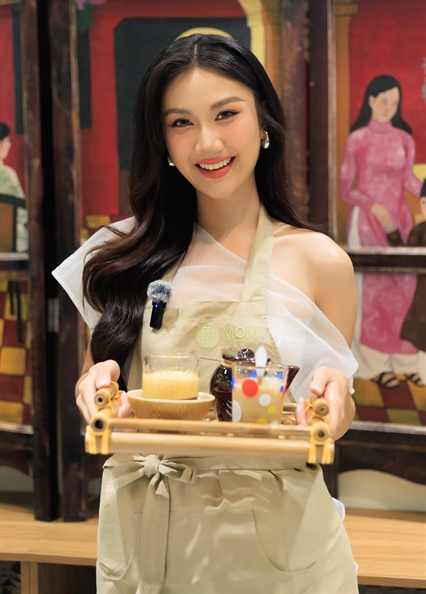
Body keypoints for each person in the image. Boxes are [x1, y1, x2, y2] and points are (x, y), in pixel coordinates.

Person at [53, 34, 359, 593]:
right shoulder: (120, 257)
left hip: (277, 550)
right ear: (161, 140)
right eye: (181, 122)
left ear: (263, 121)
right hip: (148, 541)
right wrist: (94, 384)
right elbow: (102, 385)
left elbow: (332, 406)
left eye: (226, 113)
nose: (208, 142)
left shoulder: (320, 261)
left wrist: (335, 401)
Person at [339, 75, 422, 388]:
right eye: (383, 100)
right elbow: (346, 189)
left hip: (401, 220)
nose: (389, 107)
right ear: (371, 100)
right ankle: (374, 366)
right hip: (368, 219)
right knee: (374, 290)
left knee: (405, 288)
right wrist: (374, 207)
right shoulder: (357, 139)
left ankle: (405, 362)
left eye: (394, 103)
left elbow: (408, 179)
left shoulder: (404, 138)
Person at [387, 178, 426, 386]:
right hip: (422, 300)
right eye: (425, 203)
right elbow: (405, 256)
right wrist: (392, 233)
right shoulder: (420, 231)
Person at [0, 122, 28, 253]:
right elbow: (23, 214)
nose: (10, 145)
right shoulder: (6, 174)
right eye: (7, 141)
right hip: (11, 241)